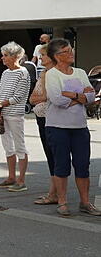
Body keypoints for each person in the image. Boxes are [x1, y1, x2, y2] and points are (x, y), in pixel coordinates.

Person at [43, 38, 101, 216]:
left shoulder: (81, 72)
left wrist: (72, 95)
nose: (71, 54)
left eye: (71, 50)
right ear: (56, 56)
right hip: (57, 126)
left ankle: (85, 202)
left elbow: (91, 96)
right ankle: (62, 201)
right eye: (66, 51)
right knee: (61, 165)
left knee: (83, 165)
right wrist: (80, 96)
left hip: (79, 127)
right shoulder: (52, 74)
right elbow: (57, 99)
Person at [0, 42, 31, 191]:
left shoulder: (23, 72)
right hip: (4, 114)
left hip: (15, 115)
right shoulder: (5, 73)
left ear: (15, 57)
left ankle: (21, 180)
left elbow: (19, 97)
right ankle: (11, 177)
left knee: (19, 146)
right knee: (8, 147)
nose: (3, 58)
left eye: (6, 55)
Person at [29, 50, 59, 205]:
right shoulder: (43, 73)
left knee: (54, 155)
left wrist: (39, 98)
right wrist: (39, 98)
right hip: (40, 116)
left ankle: (55, 193)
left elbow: (48, 96)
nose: (40, 58)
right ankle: (53, 191)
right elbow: (32, 97)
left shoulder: (53, 74)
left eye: (43, 55)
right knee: (49, 155)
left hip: (50, 118)